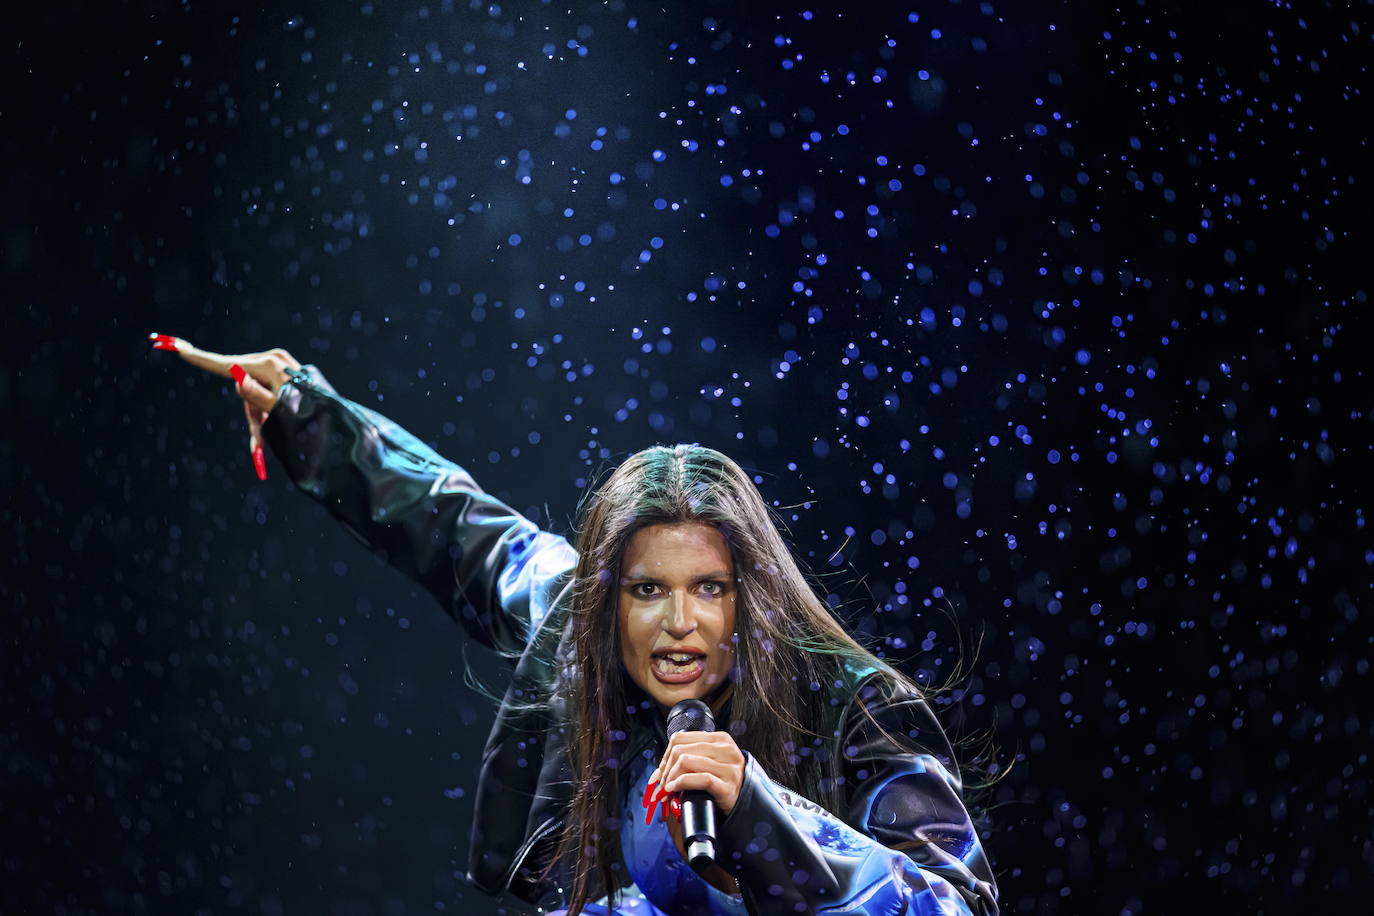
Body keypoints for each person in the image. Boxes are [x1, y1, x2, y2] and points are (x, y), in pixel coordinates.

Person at [150, 333, 1001, 916]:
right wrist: (308, 412)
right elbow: (461, 530)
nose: (678, 624)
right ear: (611, 601)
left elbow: (955, 902)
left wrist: (763, 815)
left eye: (709, 588)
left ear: (755, 595)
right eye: (645, 591)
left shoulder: (851, 706)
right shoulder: (577, 636)